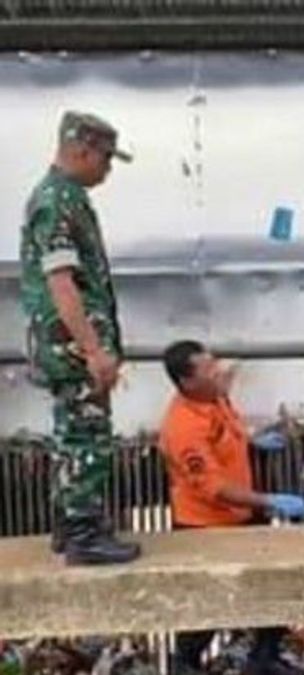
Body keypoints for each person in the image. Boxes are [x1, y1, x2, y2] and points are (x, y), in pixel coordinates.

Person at [19, 111, 141, 565]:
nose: (107, 169)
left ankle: (71, 526)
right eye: (105, 159)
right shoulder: (57, 202)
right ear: (81, 150)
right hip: (70, 345)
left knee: (71, 431)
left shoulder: (64, 197)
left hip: (66, 342)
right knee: (86, 434)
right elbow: (62, 283)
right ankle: (83, 534)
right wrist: (93, 349)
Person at [158, 340, 304, 675]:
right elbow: (214, 488)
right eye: (209, 370)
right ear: (187, 382)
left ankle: (266, 655)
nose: (219, 373)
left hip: (242, 515)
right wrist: (271, 501)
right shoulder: (183, 426)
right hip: (206, 526)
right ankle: (184, 663)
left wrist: (250, 440)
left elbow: (228, 429)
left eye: (215, 364)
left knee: (270, 583)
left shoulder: (214, 396)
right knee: (208, 602)